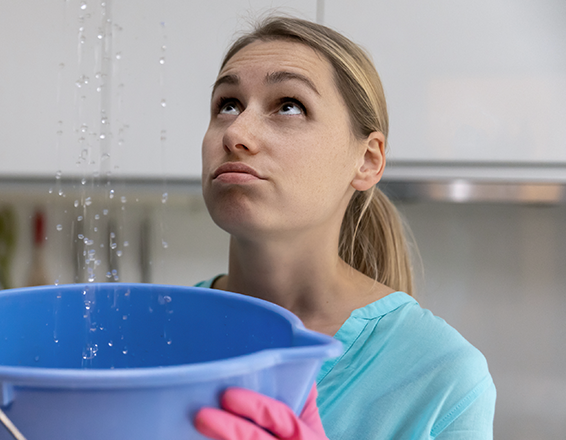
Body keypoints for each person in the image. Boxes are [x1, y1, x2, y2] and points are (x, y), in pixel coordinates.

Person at [191, 16, 495, 439]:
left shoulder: (441, 375)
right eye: (228, 104)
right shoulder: (156, 332)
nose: (236, 133)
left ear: (368, 160)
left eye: (289, 106)